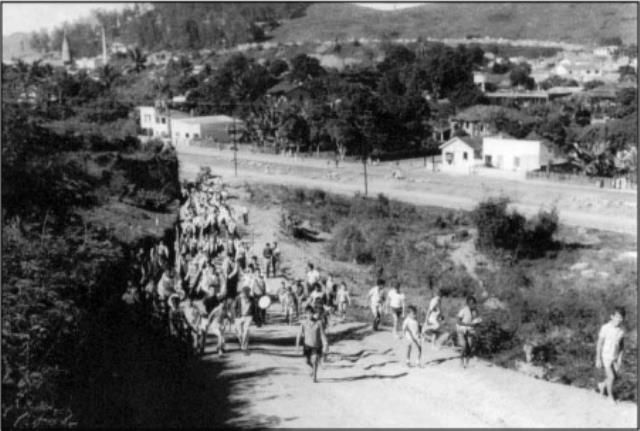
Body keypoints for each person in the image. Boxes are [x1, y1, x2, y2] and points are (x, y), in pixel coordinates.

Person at [596, 306, 626, 403]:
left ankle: (602, 385)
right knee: (611, 377)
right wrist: (598, 359)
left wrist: (619, 358)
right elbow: (599, 343)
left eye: (621, 317)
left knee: (614, 377)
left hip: (614, 357)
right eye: (617, 317)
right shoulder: (605, 328)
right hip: (605, 356)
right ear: (612, 316)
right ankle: (610, 396)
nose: (619, 319)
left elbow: (621, 345)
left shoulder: (621, 330)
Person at [296, 305, 328, 383]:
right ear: (305, 314)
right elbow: (299, 334)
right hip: (307, 345)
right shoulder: (303, 323)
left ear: (313, 313)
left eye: (310, 313)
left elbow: (322, 334)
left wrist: (325, 343)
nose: (309, 315)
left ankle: (315, 376)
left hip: (317, 345)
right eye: (307, 314)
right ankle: (312, 368)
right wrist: (297, 345)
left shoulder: (319, 323)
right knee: (307, 361)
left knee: (315, 360)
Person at [457, 295, 481, 368]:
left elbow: (477, 321)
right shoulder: (463, 310)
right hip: (461, 329)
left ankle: (467, 363)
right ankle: (461, 361)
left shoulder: (476, 311)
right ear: (467, 304)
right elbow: (458, 321)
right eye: (471, 303)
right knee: (464, 346)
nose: (473, 305)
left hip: (470, 330)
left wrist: (477, 323)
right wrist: (468, 324)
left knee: (469, 346)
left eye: (474, 303)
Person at [234, 286, 255, 354]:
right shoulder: (238, 298)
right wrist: (234, 317)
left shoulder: (252, 298)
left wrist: (255, 317)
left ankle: (244, 346)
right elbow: (234, 307)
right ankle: (243, 344)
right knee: (240, 333)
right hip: (239, 317)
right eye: (246, 293)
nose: (247, 294)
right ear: (243, 293)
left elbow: (255, 308)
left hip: (248, 316)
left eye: (248, 293)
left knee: (246, 331)